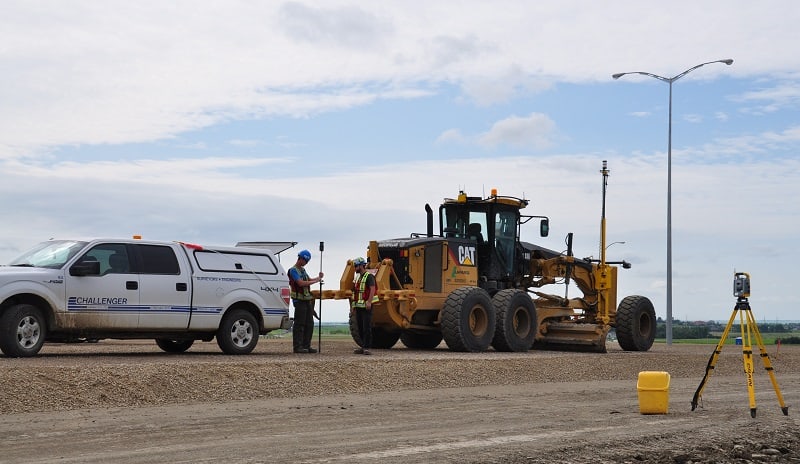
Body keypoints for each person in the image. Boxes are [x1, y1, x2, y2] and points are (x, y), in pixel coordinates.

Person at [288, 249, 323, 354]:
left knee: (309, 324)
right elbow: (300, 283)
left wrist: (318, 277)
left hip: (307, 300)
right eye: (306, 261)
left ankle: (306, 346)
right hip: (299, 301)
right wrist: (316, 281)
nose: (306, 263)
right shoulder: (293, 270)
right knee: (299, 324)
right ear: (301, 259)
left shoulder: (303, 270)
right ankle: (297, 347)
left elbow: (308, 279)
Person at [351, 257, 378, 355]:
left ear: (362, 266)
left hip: (366, 307)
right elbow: (355, 292)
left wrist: (369, 302)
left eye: (356, 266)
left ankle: (367, 348)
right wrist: (353, 306)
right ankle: (362, 347)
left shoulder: (369, 276)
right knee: (360, 327)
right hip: (359, 306)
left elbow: (372, 289)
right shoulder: (358, 277)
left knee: (366, 327)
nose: (355, 268)